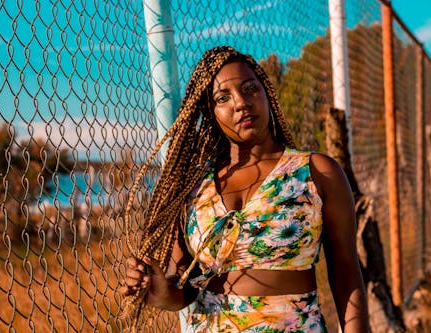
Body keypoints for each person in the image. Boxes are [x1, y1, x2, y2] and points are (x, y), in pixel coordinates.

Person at [120, 46, 368, 332]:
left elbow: (346, 273)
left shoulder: (316, 172)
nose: (240, 103)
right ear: (210, 112)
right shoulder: (191, 187)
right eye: (223, 98)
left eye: (250, 88)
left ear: (267, 95)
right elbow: (183, 289)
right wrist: (163, 293)